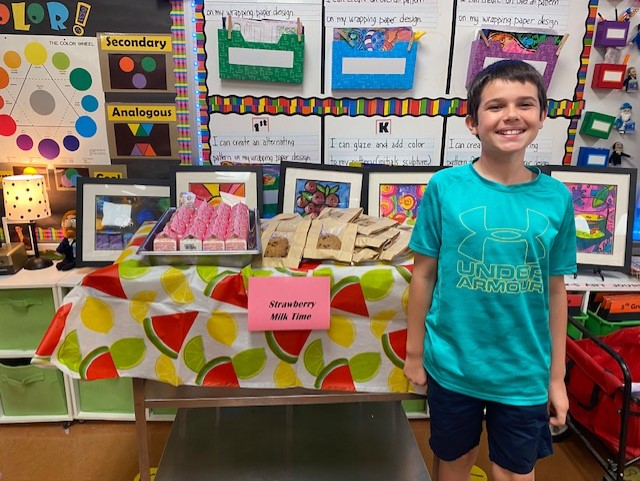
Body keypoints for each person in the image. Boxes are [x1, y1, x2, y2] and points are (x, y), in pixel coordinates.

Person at [404, 59, 577, 481]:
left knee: (513, 472)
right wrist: (413, 354)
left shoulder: (557, 199)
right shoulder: (445, 187)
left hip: (523, 370)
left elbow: (556, 293)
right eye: (495, 105)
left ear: (541, 116)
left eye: (525, 104)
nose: (511, 115)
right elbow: (423, 274)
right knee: (454, 460)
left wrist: (557, 378)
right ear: (472, 122)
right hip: (454, 364)